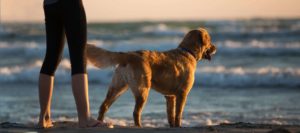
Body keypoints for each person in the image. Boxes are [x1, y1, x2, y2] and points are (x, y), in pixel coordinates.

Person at [38, 0, 112, 128]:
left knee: (51, 58)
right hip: (71, 4)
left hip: (49, 4)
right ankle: (85, 119)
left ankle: (44, 118)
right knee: (78, 58)